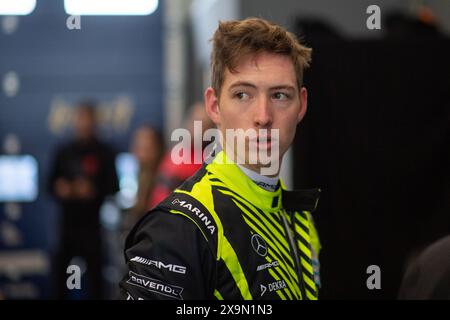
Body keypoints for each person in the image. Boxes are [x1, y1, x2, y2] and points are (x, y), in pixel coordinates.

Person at [120, 17, 321, 300]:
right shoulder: (178, 227)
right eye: (242, 95)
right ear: (214, 106)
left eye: (279, 95)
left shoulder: (299, 217)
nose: (263, 117)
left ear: (301, 105)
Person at [49, 101, 119, 299]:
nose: (84, 124)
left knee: (97, 283)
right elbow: (49, 186)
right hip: (66, 230)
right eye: (80, 118)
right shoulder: (63, 152)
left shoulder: (105, 152)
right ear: (74, 122)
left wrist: (92, 191)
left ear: (95, 122)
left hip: (93, 230)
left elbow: (114, 186)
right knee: (59, 283)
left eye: (88, 119)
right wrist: (64, 189)